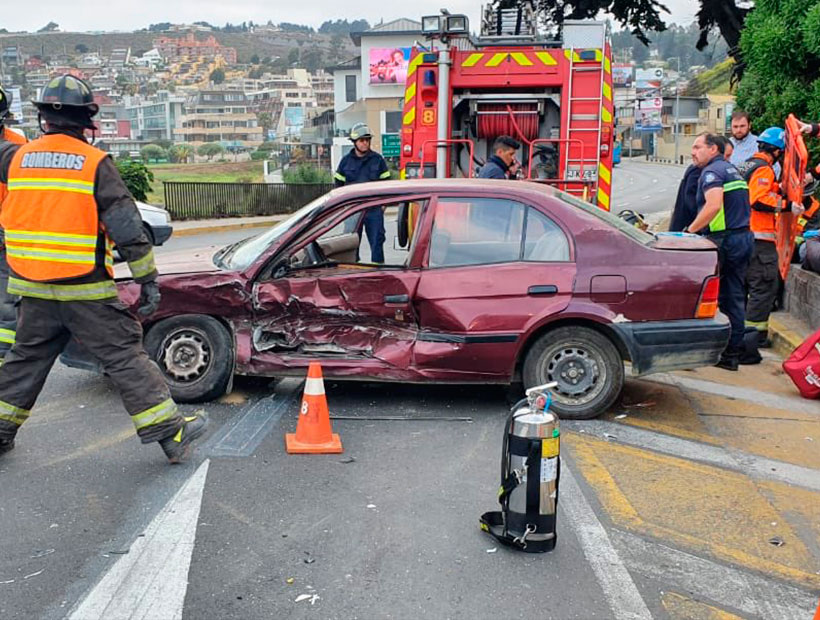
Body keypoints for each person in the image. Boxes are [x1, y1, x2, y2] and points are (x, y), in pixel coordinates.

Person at [0, 75, 207, 461]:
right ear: (87, 121)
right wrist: (147, 280)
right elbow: (127, 227)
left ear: (44, 117)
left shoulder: (17, 158)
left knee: (25, 361)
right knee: (125, 357)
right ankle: (170, 434)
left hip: (31, 289)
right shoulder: (95, 163)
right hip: (86, 293)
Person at [683, 133, 754, 370]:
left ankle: (711, 350)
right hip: (743, 237)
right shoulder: (732, 170)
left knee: (706, 294)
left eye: (697, 147)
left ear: (713, 149)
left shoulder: (712, 173)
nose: (693, 152)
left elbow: (713, 205)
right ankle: (732, 354)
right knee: (734, 296)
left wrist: (690, 231)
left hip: (725, 241)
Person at [735, 127, 805, 357]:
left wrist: (782, 191)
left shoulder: (747, 165)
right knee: (764, 288)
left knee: (744, 288)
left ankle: (739, 337)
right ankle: (752, 340)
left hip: (742, 236)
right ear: (777, 150)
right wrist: (787, 206)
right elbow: (758, 199)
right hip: (759, 239)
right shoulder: (764, 169)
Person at [334, 123, 391, 263]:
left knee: (377, 241)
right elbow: (338, 186)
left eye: (367, 140)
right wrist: (344, 208)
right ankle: (353, 270)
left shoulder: (378, 160)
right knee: (350, 243)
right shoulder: (345, 162)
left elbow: (387, 185)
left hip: (374, 210)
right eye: (362, 140)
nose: (365, 143)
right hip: (352, 210)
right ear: (355, 142)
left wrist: (383, 206)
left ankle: (378, 273)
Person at [0, 86, 27, 363]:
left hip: (6, 230)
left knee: (5, 301)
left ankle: (2, 354)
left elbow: (22, 192)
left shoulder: (17, 145)